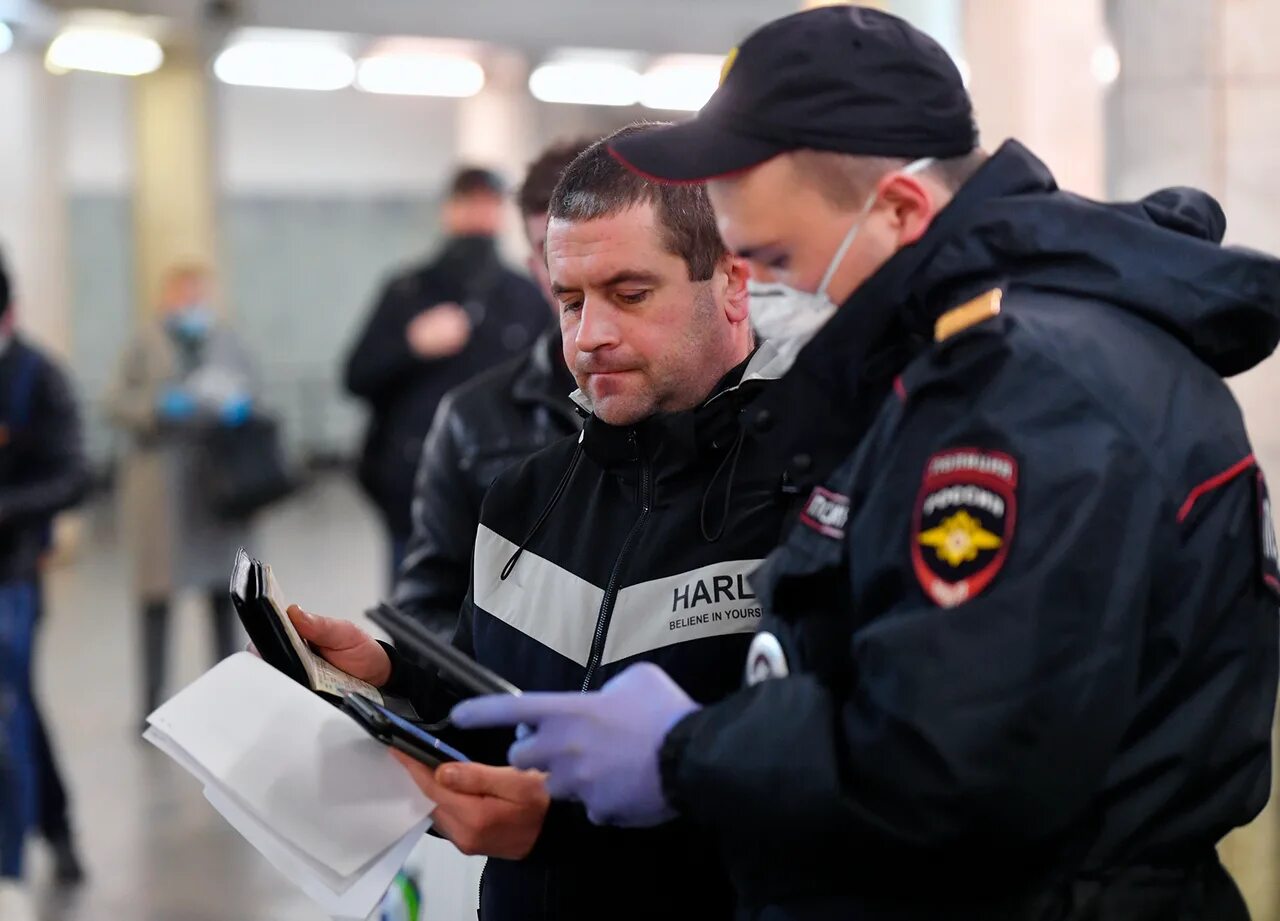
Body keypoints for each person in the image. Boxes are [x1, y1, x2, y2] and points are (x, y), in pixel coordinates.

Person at [447, 7, 1280, 920]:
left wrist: (687, 750)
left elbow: (953, 767)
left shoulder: (1029, 398)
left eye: (775, 261)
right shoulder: (971, 368)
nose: (761, 301)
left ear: (898, 208)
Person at [291, 123, 800, 921]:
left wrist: (557, 831)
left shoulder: (814, 501)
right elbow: (503, 704)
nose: (590, 335)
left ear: (732, 282)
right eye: (570, 300)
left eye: (630, 295)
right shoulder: (526, 499)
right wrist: (391, 673)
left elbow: (828, 796)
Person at [392, 139, 593, 639]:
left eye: (628, 288)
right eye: (560, 270)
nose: (590, 311)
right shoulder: (469, 420)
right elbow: (424, 609)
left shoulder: (709, 404)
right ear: (536, 269)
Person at [345, 167, 550, 582]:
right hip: (415, 496)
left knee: (502, 630)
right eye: (467, 202)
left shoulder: (525, 297)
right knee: (414, 626)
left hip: (505, 500)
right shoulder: (407, 291)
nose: (478, 214)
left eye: (488, 203)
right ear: (448, 210)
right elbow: (355, 377)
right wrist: (411, 346)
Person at [107, 264, 260, 724]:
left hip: (216, 487)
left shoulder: (228, 341)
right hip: (162, 491)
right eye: (183, 295)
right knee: (156, 597)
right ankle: (151, 700)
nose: (191, 304)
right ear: (165, 298)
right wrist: (157, 405)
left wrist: (239, 406)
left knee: (223, 593)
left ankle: (225, 690)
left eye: (199, 294)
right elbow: (114, 400)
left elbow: (256, 390)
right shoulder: (144, 343)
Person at [0, 253, 89, 918]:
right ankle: (54, 823)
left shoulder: (37, 377)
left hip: (11, 575)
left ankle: (19, 857)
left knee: (7, 709)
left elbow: (73, 474)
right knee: (16, 704)